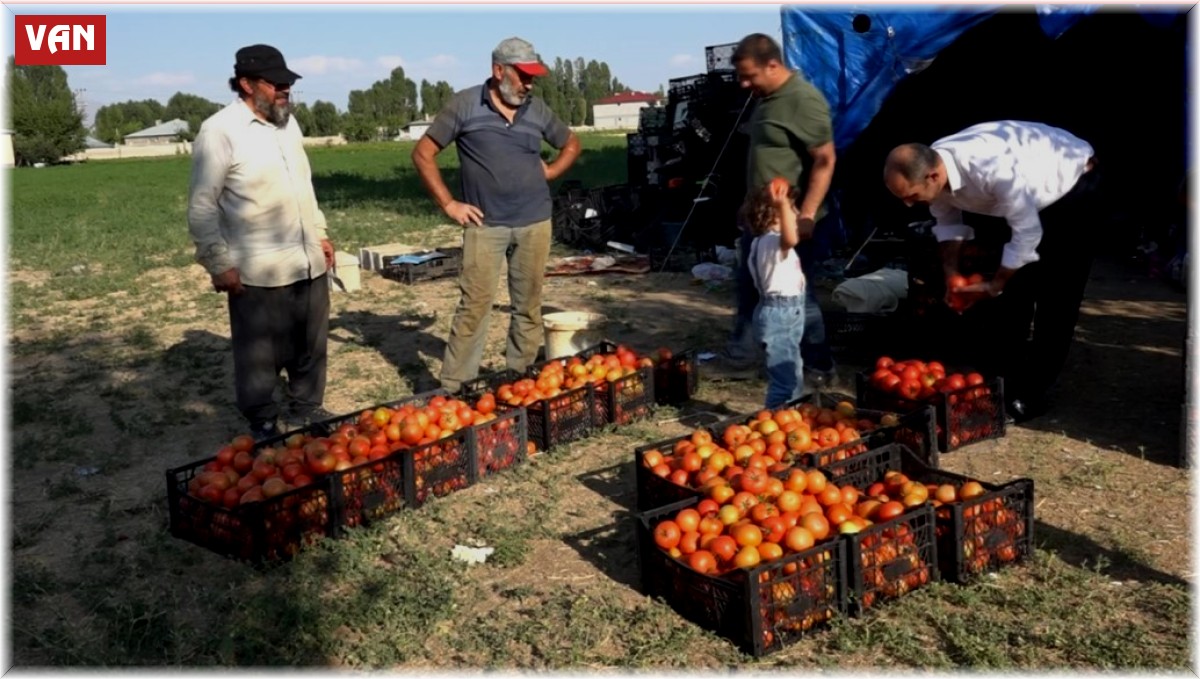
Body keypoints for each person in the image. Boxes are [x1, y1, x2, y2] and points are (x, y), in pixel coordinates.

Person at [883, 120, 1102, 422]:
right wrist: (951, 276)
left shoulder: (990, 169)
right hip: (1021, 197)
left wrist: (996, 283)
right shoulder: (937, 171)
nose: (908, 205)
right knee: (1013, 298)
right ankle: (1000, 381)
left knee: (1057, 296)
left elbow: (1026, 237)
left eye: (912, 195)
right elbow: (947, 224)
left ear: (933, 176)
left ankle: (1030, 393)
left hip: (1072, 187)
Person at [412, 37, 581, 392]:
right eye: (523, 75)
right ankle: (456, 388)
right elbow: (423, 154)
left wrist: (550, 171)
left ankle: (520, 378)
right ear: (498, 70)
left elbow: (571, 143)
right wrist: (449, 204)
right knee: (474, 307)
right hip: (484, 226)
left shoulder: (536, 109)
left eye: (533, 77)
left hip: (535, 221)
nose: (529, 83)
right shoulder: (465, 105)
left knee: (529, 305)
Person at [187, 44, 336, 440]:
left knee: (311, 343)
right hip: (257, 269)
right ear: (245, 84)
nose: (285, 89)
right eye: (276, 84)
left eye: (288, 83)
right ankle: (264, 420)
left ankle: (307, 407)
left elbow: (304, 187)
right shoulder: (219, 131)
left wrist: (319, 233)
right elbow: (202, 205)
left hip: (306, 260)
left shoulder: (289, 124)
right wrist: (217, 262)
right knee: (259, 356)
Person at [724, 33, 837, 386]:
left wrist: (806, 214)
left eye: (750, 75)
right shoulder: (767, 98)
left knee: (799, 296)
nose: (744, 84)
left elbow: (825, 159)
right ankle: (742, 356)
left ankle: (819, 365)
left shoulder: (803, 100)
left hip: (791, 221)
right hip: (762, 218)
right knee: (748, 285)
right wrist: (749, 203)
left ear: (772, 65)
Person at [743, 180, 808, 408]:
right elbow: (791, 239)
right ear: (775, 214)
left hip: (781, 312)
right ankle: (776, 419)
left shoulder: (761, 243)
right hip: (781, 315)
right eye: (792, 208)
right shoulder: (772, 242)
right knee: (785, 383)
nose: (797, 212)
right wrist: (782, 205)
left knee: (792, 370)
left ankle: (793, 415)